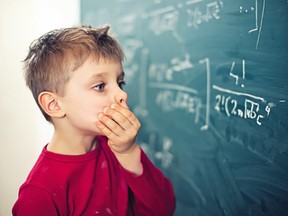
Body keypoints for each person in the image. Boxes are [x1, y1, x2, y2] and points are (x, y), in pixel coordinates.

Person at [12, 25, 176, 216]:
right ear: (54, 105)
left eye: (120, 82)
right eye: (100, 86)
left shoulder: (117, 148)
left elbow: (163, 209)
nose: (122, 94)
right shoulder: (39, 195)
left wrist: (129, 151)